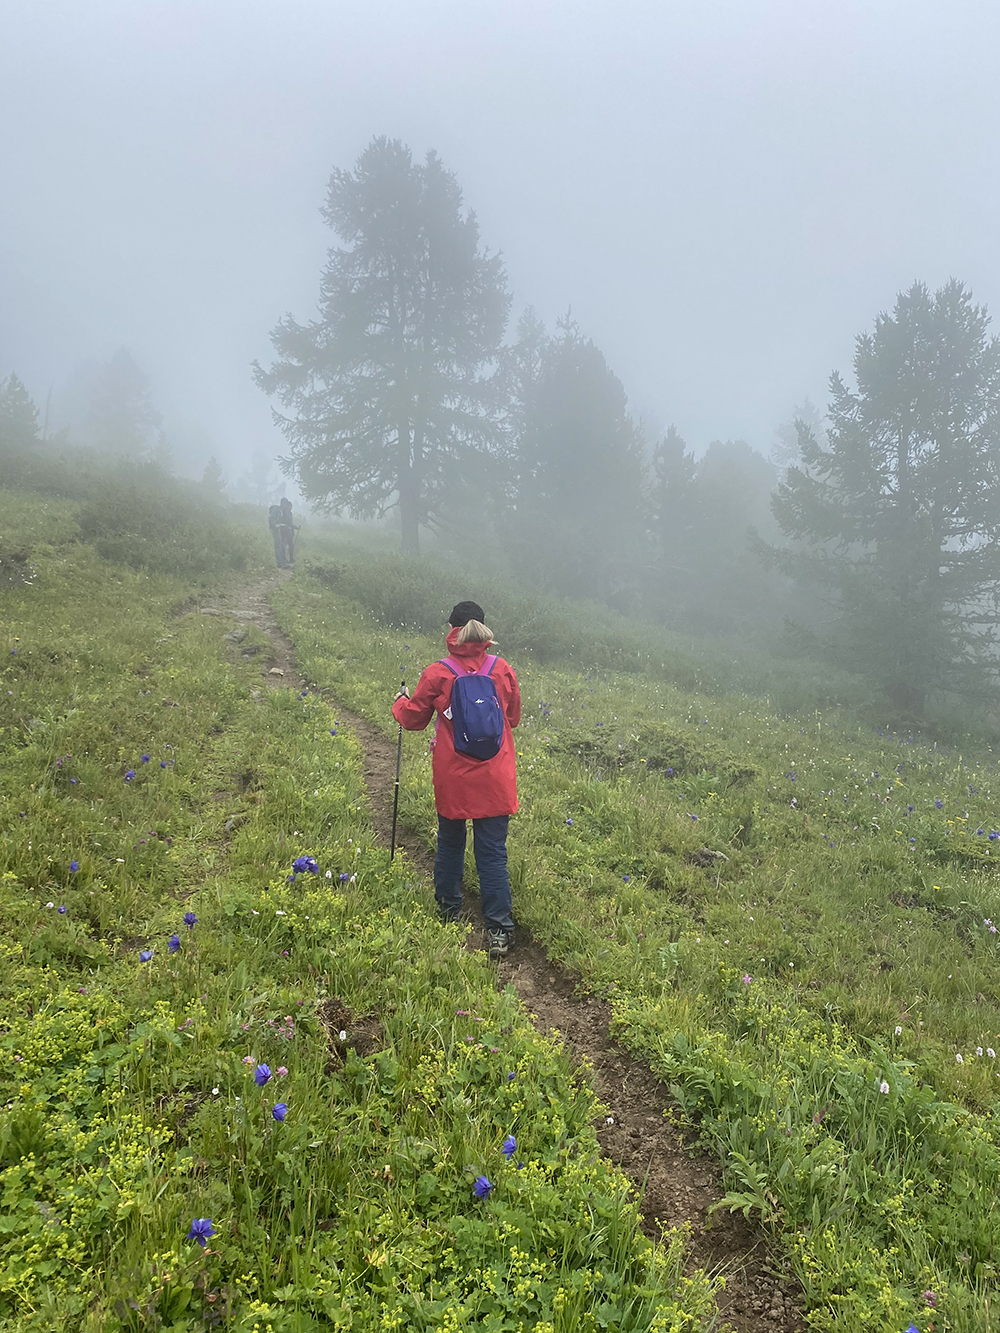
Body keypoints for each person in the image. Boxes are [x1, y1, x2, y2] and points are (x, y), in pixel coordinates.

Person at [391, 600, 521, 958]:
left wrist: (398, 704)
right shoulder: (502, 669)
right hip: (495, 775)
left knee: (450, 842)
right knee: (492, 852)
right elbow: (513, 718)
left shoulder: (438, 673)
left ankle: (448, 912)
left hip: (454, 776)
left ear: (451, 630)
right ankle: (498, 929)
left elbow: (414, 720)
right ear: (482, 630)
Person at [277, 497, 297, 567]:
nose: (285, 505)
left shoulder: (289, 513)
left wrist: (295, 527)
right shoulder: (281, 511)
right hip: (283, 531)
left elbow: (290, 523)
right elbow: (282, 521)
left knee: (291, 545)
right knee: (283, 545)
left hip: (289, 532)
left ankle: (290, 558)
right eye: (284, 503)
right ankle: (283, 559)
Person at [268, 504, 286, 568]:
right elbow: (271, 519)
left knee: (280, 545)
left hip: (277, 529)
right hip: (275, 530)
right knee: (278, 545)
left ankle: (282, 562)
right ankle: (280, 563)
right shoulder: (277, 510)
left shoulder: (280, 510)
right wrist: (275, 525)